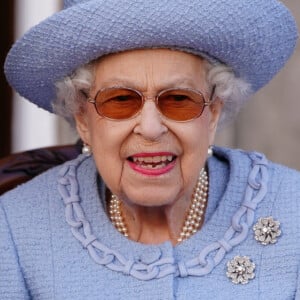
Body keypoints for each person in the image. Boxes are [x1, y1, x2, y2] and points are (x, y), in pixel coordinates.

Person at [1, 0, 299, 299]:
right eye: (120, 100)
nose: (151, 127)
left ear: (214, 114)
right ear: (82, 119)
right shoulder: (15, 227)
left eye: (179, 99)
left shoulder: (292, 208)